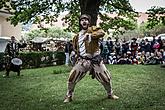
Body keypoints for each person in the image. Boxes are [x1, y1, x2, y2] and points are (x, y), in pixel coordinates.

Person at [63, 14, 119, 103]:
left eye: (86, 20)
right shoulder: (77, 36)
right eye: (82, 20)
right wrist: (75, 54)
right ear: (80, 22)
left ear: (88, 22)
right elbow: (76, 48)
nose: (84, 21)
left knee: (105, 78)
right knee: (72, 78)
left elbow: (102, 33)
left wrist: (90, 36)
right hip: (83, 61)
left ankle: (110, 94)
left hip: (95, 60)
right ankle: (69, 96)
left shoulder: (93, 29)